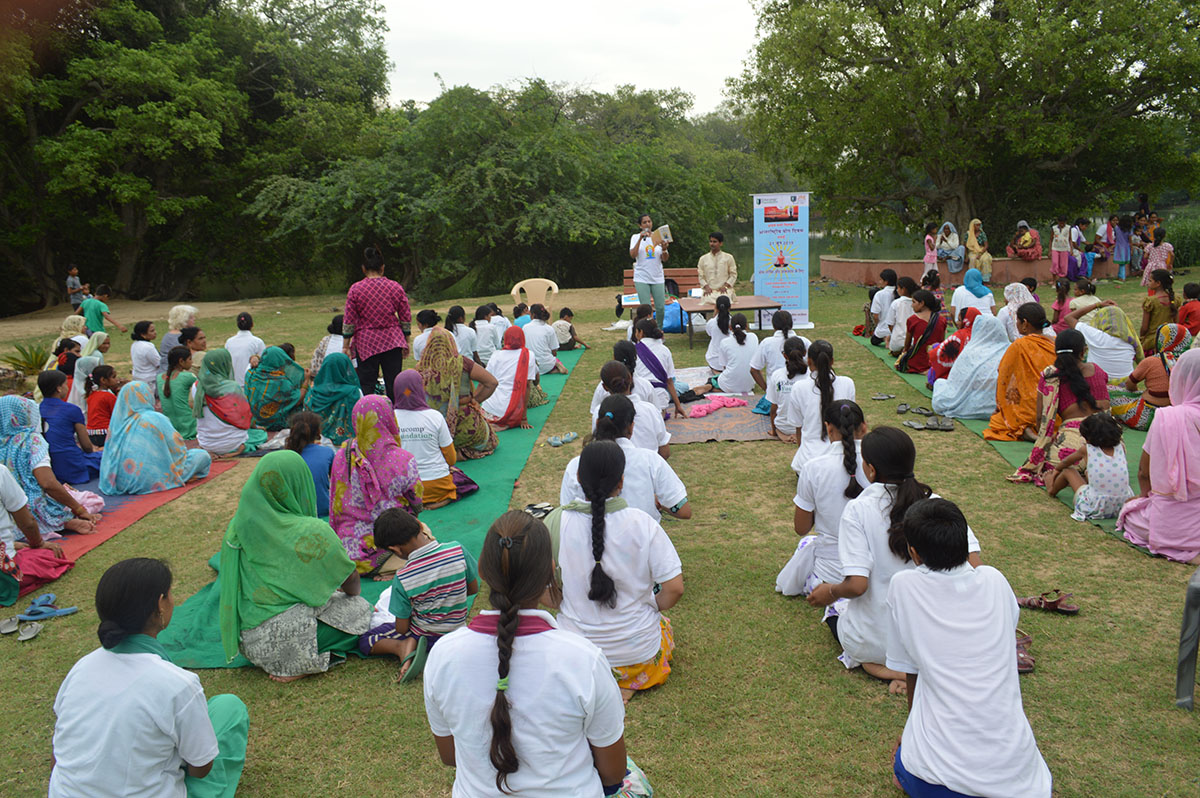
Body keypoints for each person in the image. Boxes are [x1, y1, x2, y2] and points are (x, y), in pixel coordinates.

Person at [422, 510, 640, 797]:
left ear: (483, 571)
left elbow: (451, 756)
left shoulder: (443, 655)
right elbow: (612, 772)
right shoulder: (583, 659)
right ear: (550, 572)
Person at [886, 500, 1052, 798]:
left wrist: (912, 733)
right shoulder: (995, 580)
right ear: (965, 544)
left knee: (902, 763)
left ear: (913, 553)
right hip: (1024, 786)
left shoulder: (903, 586)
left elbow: (910, 669)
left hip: (937, 783)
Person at [49, 558, 248, 798]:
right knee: (229, 708)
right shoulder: (177, 684)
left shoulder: (81, 668)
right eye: (170, 594)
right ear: (160, 604)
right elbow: (200, 769)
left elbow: (58, 752)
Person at [805, 427, 982, 692]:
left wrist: (830, 591)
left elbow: (857, 586)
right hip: (936, 639)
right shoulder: (938, 506)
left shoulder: (858, 510)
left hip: (877, 641)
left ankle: (890, 670)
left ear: (871, 470)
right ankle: (912, 668)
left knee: (837, 615)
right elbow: (975, 567)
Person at [216, 451, 372, 681]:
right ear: (300, 484)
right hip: (288, 642)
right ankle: (299, 662)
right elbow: (352, 583)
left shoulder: (239, 527)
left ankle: (292, 657)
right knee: (361, 609)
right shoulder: (312, 530)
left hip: (251, 644)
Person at [551, 440, 683, 704]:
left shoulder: (554, 522)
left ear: (579, 478)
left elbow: (539, 587)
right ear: (621, 482)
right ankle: (629, 680)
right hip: (639, 656)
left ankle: (594, 681)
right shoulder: (643, 523)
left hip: (576, 655)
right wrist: (651, 607)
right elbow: (674, 588)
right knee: (663, 627)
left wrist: (565, 603)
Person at [365, 508, 478, 679]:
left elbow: (401, 628)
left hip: (425, 638)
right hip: (458, 630)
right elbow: (473, 589)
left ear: (395, 549)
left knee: (367, 639)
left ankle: (403, 647)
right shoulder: (457, 550)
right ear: (419, 524)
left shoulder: (403, 577)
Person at [776, 400, 868, 596]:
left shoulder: (813, 468)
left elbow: (801, 528)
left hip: (830, 575)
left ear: (828, 428)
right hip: (874, 572)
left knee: (806, 544)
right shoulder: (881, 465)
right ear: (864, 427)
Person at [1118, 350, 1200, 562]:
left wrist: (1144, 497)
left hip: (1170, 523)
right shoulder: (1171, 416)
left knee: (1130, 513)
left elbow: (1144, 472)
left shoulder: (1168, 417)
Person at [329, 395, 423, 573]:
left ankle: (384, 568)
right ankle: (391, 566)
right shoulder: (403, 459)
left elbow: (335, 500)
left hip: (349, 549)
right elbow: (416, 502)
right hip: (392, 542)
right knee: (426, 537)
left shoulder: (342, 455)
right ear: (388, 418)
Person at [561, 395, 689, 522]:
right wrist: (657, 502)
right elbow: (683, 510)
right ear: (631, 427)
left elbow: (566, 513)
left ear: (597, 423)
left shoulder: (576, 465)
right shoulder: (650, 461)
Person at [1009, 328, 1110, 486]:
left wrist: (1046, 440)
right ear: (1083, 351)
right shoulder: (1098, 370)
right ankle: (1091, 473)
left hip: (1072, 449)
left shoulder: (1050, 376)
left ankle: (1077, 474)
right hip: (1111, 447)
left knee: (1054, 466)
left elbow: (1040, 419)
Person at [0, 396, 100, 537]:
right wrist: (79, 509)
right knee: (92, 500)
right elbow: (48, 483)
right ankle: (62, 522)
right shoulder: (31, 441)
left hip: (4, 509)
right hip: (28, 507)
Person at [99, 382, 212, 495]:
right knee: (202, 456)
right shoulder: (155, 418)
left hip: (120, 480)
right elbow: (177, 450)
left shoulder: (117, 424)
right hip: (151, 479)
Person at [393, 370, 477, 507]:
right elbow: (451, 459)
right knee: (461, 478)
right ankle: (442, 499)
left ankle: (414, 503)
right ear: (421, 388)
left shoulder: (391, 418)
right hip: (438, 485)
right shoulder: (435, 417)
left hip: (406, 488)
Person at [417, 327, 499, 459]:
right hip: (466, 428)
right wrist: (475, 400)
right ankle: (461, 450)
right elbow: (492, 382)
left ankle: (445, 449)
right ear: (451, 343)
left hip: (433, 429)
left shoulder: (421, 368)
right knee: (491, 440)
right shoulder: (463, 363)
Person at [343, 246, 412, 401]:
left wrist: (345, 345)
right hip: (392, 340)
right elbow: (405, 316)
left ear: (363, 268)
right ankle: (396, 413)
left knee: (367, 384)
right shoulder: (395, 287)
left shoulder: (355, 289)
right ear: (382, 267)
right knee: (394, 383)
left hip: (366, 342)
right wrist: (406, 340)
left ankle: (368, 412)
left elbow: (349, 319)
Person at [983, 304, 1058, 441]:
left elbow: (1003, 376)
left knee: (998, 421)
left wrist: (1000, 406)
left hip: (1029, 407)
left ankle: (1025, 428)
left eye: (1017, 321)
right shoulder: (1054, 343)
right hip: (1053, 406)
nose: (1016, 324)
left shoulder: (1019, 345)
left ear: (1025, 323)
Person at [1046, 412, 1133, 520]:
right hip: (1121, 505)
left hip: (1094, 506)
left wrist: (1056, 471)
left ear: (1087, 437)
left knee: (1068, 471)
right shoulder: (1121, 447)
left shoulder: (1087, 449)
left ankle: (1051, 489)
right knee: (1088, 472)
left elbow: (1065, 462)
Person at [0, 461, 65, 605]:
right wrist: (38, 543)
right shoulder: (1, 472)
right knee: (50, 556)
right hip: (4, 576)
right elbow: (27, 523)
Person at [787, 340, 856, 471]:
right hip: (843, 461)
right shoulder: (848, 383)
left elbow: (798, 426)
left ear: (809, 362)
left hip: (808, 462)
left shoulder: (799, 387)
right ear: (832, 361)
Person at [1111, 323, 1192, 430]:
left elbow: (1129, 384)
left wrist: (1134, 394)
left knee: (1110, 391)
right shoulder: (1191, 362)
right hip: (1179, 419)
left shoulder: (1151, 361)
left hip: (1145, 418)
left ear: (1161, 340)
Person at [191, 348, 269, 457]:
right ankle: (239, 448)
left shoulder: (196, 387)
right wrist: (255, 427)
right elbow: (245, 415)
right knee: (260, 434)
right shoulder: (232, 388)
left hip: (206, 443)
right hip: (233, 444)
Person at [932, 314, 1009, 419]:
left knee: (940, 384)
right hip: (1000, 406)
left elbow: (956, 382)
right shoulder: (1009, 350)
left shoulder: (970, 352)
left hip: (971, 402)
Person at [589, 361, 670, 457]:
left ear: (604, 387)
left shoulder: (599, 412)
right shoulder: (650, 410)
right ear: (630, 378)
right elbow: (664, 451)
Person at [38, 370, 103, 484]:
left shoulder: (36, 409)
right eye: (65, 384)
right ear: (59, 388)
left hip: (47, 465)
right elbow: (87, 447)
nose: (67, 388)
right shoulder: (72, 410)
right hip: (72, 464)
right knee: (108, 457)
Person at [1064, 300, 1142, 381]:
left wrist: (1097, 305)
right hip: (1125, 385)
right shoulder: (1130, 342)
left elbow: (1068, 318)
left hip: (1099, 383)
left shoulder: (1096, 337)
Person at [481, 327, 540, 430]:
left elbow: (484, 380)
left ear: (505, 339)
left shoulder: (496, 355)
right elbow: (527, 386)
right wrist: (523, 418)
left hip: (489, 408)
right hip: (511, 410)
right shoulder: (528, 355)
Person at [297, 352, 359, 447]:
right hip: (347, 447)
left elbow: (305, 416)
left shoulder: (313, 393)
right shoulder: (354, 392)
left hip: (317, 444)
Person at [244, 345, 307, 431]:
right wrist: (306, 382)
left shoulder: (250, 374)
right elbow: (297, 399)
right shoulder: (281, 382)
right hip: (275, 424)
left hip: (254, 420)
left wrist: (254, 357)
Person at [285, 411, 334, 518]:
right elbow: (336, 482)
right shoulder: (327, 452)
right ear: (318, 432)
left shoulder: (284, 456)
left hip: (293, 514)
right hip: (322, 513)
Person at [633, 319, 687, 418]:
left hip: (640, 398)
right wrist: (678, 405)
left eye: (636, 331)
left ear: (641, 332)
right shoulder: (665, 350)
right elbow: (669, 381)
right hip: (659, 399)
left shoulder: (634, 350)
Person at [750, 310, 808, 390]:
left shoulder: (766, 343)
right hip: (801, 391)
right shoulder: (805, 341)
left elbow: (754, 369)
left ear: (773, 326)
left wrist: (768, 390)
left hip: (777, 390)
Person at [629, 213, 670, 327]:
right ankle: (646, 330)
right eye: (644, 222)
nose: (647, 224)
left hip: (657, 277)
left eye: (649, 221)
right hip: (642, 277)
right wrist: (640, 239)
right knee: (646, 308)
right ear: (640, 225)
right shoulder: (635, 237)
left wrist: (664, 249)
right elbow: (633, 255)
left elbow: (665, 259)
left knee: (660, 307)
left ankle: (659, 329)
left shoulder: (658, 237)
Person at [767, 337, 808, 443]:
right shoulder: (812, 375)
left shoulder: (777, 375)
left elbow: (773, 408)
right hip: (807, 428)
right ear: (805, 352)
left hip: (784, 428)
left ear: (784, 355)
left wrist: (774, 431)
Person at [896, 290, 946, 374]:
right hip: (936, 360)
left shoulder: (912, 320)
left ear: (922, 303)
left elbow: (907, 344)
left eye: (914, 302)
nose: (912, 305)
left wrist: (905, 352)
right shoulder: (942, 320)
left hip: (918, 362)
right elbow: (942, 341)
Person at [157, 347, 197, 439]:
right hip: (190, 427)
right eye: (190, 359)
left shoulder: (159, 378)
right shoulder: (188, 377)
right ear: (181, 361)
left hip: (171, 428)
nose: (192, 362)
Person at [714, 313, 759, 394]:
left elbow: (724, 366)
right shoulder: (754, 337)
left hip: (730, 384)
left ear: (730, 327)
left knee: (714, 380)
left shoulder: (725, 342)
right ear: (747, 326)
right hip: (749, 385)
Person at [223, 312, 265, 388]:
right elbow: (264, 363)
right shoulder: (257, 342)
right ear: (252, 324)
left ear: (237, 324)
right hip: (250, 385)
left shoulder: (229, 342)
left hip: (232, 385)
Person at [521, 303, 565, 375]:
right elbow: (554, 351)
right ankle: (554, 368)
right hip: (546, 363)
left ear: (533, 315)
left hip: (529, 365)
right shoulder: (549, 329)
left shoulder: (525, 327)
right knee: (554, 361)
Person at [1141, 269, 1178, 353]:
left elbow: (1144, 327)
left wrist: (1141, 337)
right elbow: (1177, 323)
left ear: (1158, 283)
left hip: (1153, 340)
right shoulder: (1174, 299)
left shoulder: (1150, 301)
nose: (1148, 283)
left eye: (1150, 280)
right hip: (1170, 339)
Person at [84, 363, 120, 447]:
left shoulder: (91, 395)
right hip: (105, 431)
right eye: (113, 377)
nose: (117, 380)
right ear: (103, 380)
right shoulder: (108, 396)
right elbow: (116, 415)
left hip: (91, 432)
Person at [697, 230, 738, 304]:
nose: (712, 244)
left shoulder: (728, 257)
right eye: (710, 241)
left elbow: (733, 275)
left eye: (714, 242)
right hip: (710, 291)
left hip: (724, 290)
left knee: (725, 300)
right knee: (708, 299)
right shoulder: (703, 259)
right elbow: (701, 276)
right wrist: (706, 287)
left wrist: (725, 286)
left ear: (721, 243)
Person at [157, 305, 197, 374]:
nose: (194, 319)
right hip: (172, 374)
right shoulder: (178, 337)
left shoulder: (168, 335)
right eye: (191, 317)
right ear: (183, 320)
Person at [884, 277, 918, 355]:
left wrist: (895, 334)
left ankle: (901, 350)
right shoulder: (918, 304)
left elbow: (890, 324)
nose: (897, 290)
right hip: (913, 342)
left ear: (903, 289)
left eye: (898, 288)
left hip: (897, 342)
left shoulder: (896, 303)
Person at [704, 295, 734, 372]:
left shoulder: (711, 322)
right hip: (731, 361)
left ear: (716, 307)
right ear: (730, 307)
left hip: (714, 361)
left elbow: (709, 334)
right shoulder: (733, 322)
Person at [868, 269, 898, 345]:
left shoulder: (879, 294)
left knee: (874, 341)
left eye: (881, 280)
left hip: (883, 329)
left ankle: (886, 338)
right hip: (898, 330)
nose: (879, 282)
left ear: (886, 282)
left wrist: (878, 325)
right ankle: (889, 338)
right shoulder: (900, 293)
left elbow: (875, 316)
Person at [129, 321, 159, 388]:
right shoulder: (149, 347)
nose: (155, 332)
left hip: (137, 378)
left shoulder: (134, 344)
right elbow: (158, 363)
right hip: (149, 381)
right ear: (143, 334)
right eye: (152, 331)